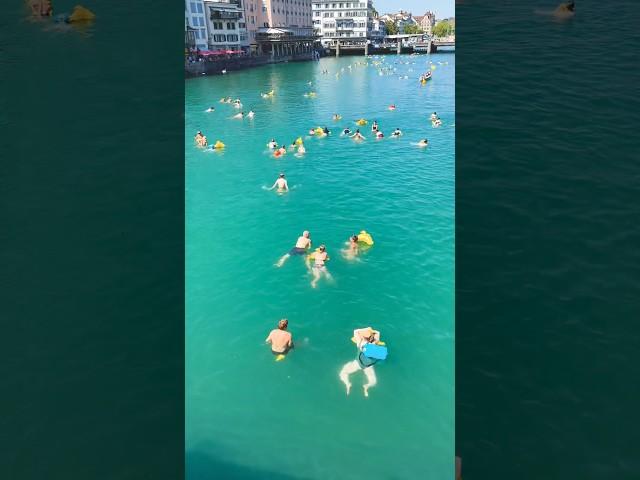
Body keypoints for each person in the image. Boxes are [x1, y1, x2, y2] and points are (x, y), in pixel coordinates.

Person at [339, 327, 382, 397]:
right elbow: (378, 332)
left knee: (343, 373)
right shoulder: (375, 344)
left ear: (364, 337)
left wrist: (366, 329)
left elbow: (355, 331)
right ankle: (367, 386)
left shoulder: (360, 343)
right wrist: (372, 331)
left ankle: (347, 383)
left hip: (357, 364)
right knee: (373, 382)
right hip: (368, 367)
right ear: (373, 337)